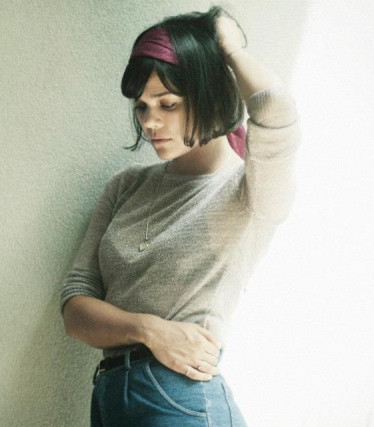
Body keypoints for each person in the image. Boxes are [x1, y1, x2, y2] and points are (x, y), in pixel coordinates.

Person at [60, 6, 299, 426]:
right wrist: (148, 329)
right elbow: (75, 308)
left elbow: (275, 109)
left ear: (207, 96)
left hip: (180, 398)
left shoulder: (248, 190)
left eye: (167, 104)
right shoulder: (126, 186)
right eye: (141, 107)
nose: (150, 123)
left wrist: (228, 48)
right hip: (111, 398)